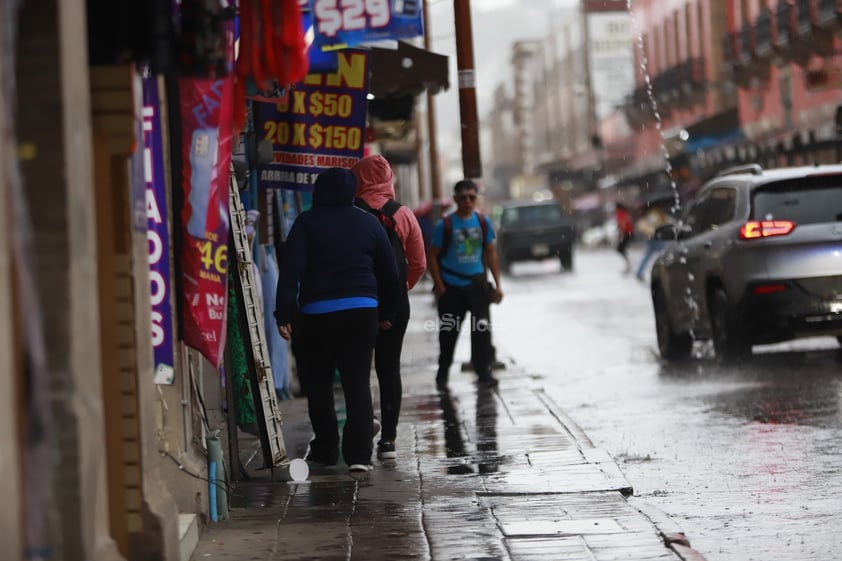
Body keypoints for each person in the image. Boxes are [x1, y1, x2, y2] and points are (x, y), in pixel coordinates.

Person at [275, 167, 399, 475]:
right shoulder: (369, 223)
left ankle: (327, 450)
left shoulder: (306, 223)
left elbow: (290, 272)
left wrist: (284, 313)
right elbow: (389, 273)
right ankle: (359, 455)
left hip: (317, 315)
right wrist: (388, 313)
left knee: (318, 384)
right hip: (361, 312)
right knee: (357, 382)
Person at [351, 154, 426, 461]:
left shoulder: (350, 212)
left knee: (357, 369)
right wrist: (398, 291)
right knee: (388, 366)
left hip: (357, 300)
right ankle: (390, 442)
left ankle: (363, 431)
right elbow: (418, 264)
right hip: (393, 303)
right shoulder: (403, 214)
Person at [428, 179, 503, 389]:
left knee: (482, 331)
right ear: (455, 199)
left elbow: (491, 253)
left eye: (472, 197)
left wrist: (497, 284)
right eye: (463, 197)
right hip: (451, 288)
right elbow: (431, 256)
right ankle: (443, 374)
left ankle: (484, 373)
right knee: (449, 332)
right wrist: (439, 284)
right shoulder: (445, 225)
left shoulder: (482, 221)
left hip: (477, 286)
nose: (468, 201)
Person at [634, 203, 671, 281]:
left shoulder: (658, 212)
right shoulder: (654, 213)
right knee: (664, 253)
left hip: (657, 237)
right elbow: (654, 226)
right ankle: (666, 272)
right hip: (656, 237)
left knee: (650, 255)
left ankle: (639, 272)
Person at [615, 202, 635, 274]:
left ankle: (628, 264)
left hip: (626, 233)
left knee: (620, 249)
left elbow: (622, 224)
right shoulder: (625, 213)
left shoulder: (620, 213)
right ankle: (628, 263)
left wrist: (621, 234)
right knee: (622, 249)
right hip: (629, 233)